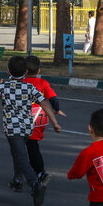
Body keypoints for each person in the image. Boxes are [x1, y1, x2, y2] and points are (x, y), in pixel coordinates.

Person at [0, 55, 61, 206]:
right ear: (25, 72)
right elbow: (45, 103)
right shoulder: (30, 88)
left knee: (21, 156)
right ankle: (17, 180)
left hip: (12, 128)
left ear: (8, 71)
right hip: (28, 128)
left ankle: (35, 185)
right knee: (18, 153)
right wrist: (54, 123)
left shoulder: (2, 87)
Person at [21, 55, 66, 185]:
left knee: (27, 147)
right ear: (39, 70)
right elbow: (53, 98)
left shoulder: (22, 83)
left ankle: (40, 172)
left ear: (25, 71)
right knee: (31, 144)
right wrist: (57, 109)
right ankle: (34, 171)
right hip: (41, 118)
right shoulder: (43, 83)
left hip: (27, 118)